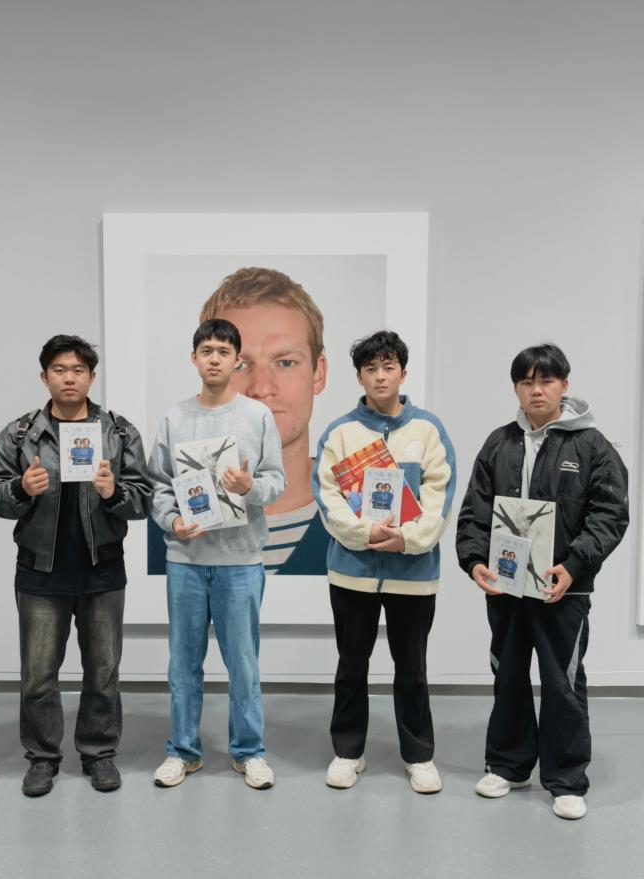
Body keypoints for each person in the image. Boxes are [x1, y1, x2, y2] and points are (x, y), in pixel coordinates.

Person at [456, 343, 629, 820]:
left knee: (562, 682)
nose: (537, 390)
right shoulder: (499, 443)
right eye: (527, 381)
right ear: (516, 387)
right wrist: (474, 561)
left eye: (547, 380)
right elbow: (475, 510)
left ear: (564, 385)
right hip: (507, 587)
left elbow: (610, 514)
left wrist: (573, 565)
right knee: (508, 675)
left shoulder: (592, 446)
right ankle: (507, 766)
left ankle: (566, 780)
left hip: (563, 590)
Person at [0, 335, 151, 797]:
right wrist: (21, 488)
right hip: (40, 571)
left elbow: (144, 500)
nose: (69, 378)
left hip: (102, 570)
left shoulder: (118, 432)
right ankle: (42, 757)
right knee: (38, 675)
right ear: (44, 377)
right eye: (59, 370)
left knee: (103, 672)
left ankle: (99, 753)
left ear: (91, 377)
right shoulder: (20, 434)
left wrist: (114, 492)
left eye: (78, 370)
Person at [312, 330, 457, 793]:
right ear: (358, 376)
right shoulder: (340, 432)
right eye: (371, 368)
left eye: (388, 367)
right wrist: (366, 534)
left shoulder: (428, 430)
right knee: (351, 666)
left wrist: (407, 539)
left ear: (403, 373)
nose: (380, 376)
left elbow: (440, 496)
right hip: (352, 573)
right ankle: (347, 751)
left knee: (412, 668)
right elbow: (328, 497)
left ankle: (419, 755)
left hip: (412, 574)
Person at [148, 318, 285, 789]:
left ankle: (249, 752)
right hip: (186, 560)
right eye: (206, 350)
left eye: (223, 352)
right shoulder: (174, 418)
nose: (214, 359)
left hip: (241, 561)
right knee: (183, 664)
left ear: (236, 361)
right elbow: (158, 485)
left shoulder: (257, 416)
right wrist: (172, 521)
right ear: (194, 358)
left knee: (243, 665)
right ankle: (182, 751)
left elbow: (276, 481)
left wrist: (249, 487)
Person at [147, 267, 328, 575]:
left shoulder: (353, 508)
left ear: (318, 373)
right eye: (241, 364)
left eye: (285, 362)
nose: (261, 388)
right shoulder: (168, 519)